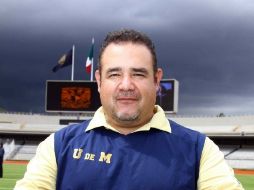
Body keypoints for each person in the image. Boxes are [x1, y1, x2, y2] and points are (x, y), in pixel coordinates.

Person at [15, 29, 243, 190]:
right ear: (99, 80)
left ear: (156, 79)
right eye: (114, 74)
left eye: (138, 74)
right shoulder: (57, 146)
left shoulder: (199, 150)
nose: (126, 85)